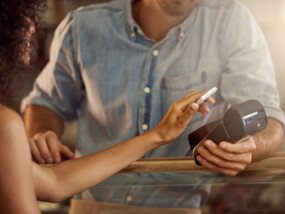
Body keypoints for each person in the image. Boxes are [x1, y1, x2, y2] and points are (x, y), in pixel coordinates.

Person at [21, 0, 285, 210]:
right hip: (91, 205)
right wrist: (41, 133)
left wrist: (251, 147)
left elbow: (270, 119)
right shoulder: (82, 26)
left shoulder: (232, 22)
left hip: (183, 207)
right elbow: (45, 103)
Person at [0, 0, 214, 213]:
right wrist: (159, 136)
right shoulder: (5, 125)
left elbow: (54, 182)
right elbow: (53, 182)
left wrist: (158, 135)